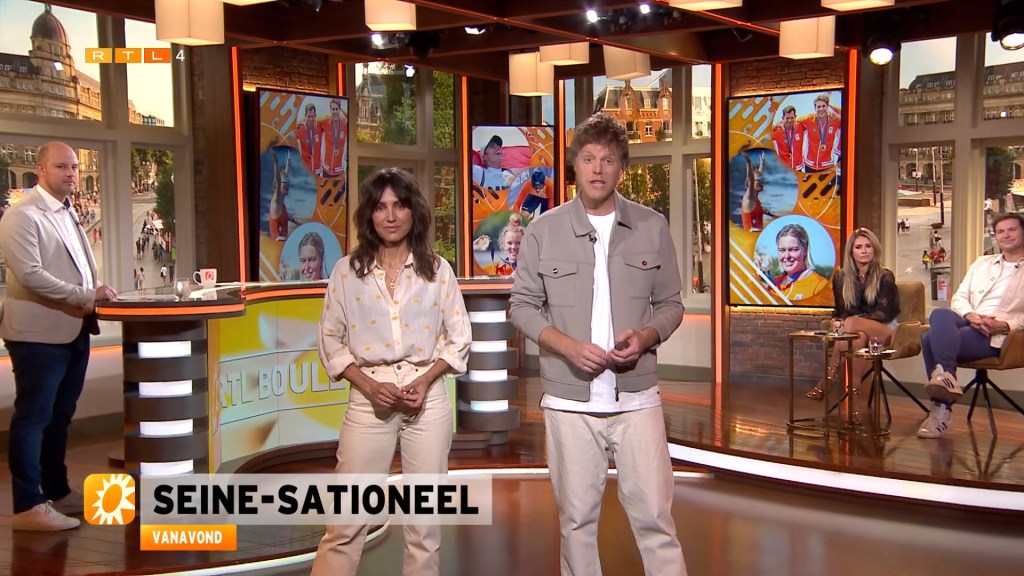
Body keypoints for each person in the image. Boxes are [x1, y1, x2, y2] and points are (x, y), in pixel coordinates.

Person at [509, 112, 688, 576]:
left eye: (608, 160)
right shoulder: (543, 230)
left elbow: (671, 304)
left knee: (655, 519)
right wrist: (568, 347)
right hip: (569, 403)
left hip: (637, 400)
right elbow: (522, 306)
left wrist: (646, 336)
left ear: (621, 168)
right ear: (575, 165)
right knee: (576, 523)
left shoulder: (651, 225)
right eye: (588, 158)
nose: (597, 169)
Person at [311, 167, 471, 576]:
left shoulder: (438, 270)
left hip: (426, 398)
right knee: (346, 522)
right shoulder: (346, 273)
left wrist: (426, 379)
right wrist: (367, 384)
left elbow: (459, 338)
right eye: (381, 207)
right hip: (369, 399)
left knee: (424, 525)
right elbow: (330, 340)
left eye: (399, 206)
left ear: (414, 211)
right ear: (369, 215)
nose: (391, 216)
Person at [0, 141, 118, 531]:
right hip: (37, 335)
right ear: (40, 170)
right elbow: (31, 275)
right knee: (34, 416)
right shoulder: (22, 216)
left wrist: (92, 294)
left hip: (73, 329)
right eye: (61, 166)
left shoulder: (68, 213)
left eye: (74, 167)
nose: (71, 173)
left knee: (59, 416)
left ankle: (56, 490)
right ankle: (27, 505)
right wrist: (87, 295)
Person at [916, 213, 1024, 439]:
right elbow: (959, 297)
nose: (1005, 235)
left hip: (998, 335)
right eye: (1000, 231)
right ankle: (946, 376)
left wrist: (1005, 324)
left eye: (1011, 230)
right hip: (970, 319)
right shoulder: (981, 263)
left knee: (928, 339)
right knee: (940, 313)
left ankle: (941, 411)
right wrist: (972, 315)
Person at [806, 229, 899, 424]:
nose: (864, 251)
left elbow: (884, 313)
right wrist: (837, 320)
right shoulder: (841, 277)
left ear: (874, 249)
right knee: (858, 338)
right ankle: (855, 408)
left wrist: (853, 321)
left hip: (884, 331)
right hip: (858, 333)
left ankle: (827, 379)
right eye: (859, 247)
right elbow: (841, 310)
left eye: (868, 246)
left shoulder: (885, 276)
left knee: (852, 324)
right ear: (851, 251)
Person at [772, 224, 829, 301]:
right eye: (782, 250)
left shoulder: (820, 285)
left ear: (805, 250)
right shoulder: (773, 283)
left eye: (793, 250)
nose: (787, 256)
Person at [801, 93, 841, 173]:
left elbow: (849, 117)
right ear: (815, 108)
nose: (821, 109)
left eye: (823, 106)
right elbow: (792, 123)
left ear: (828, 107)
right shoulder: (808, 119)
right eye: (818, 107)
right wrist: (779, 124)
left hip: (827, 166)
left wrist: (835, 112)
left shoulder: (836, 120)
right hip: (809, 165)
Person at [740, 145, 769, 231]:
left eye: (762, 180)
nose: (762, 182)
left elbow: (757, 176)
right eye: (759, 180)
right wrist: (748, 163)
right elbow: (751, 179)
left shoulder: (756, 199)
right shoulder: (748, 198)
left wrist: (762, 165)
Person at [269, 148, 296, 241]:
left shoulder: (281, 202)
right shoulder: (276, 202)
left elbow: (283, 178)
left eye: (287, 181)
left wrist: (287, 164)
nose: (287, 184)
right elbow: (278, 180)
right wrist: (276, 162)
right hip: (278, 243)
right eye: (284, 182)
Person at [771, 105, 805, 172]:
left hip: (798, 168)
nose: (790, 120)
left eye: (792, 118)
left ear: (795, 117)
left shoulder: (800, 127)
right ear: (783, 118)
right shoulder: (776, 131)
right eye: (787, 118)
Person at [294, 102, 324, 175]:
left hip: (317, 170)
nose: (311, 119)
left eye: (312, 116)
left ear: (315, 116)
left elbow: (329, 121)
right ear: (305, 116)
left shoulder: (319, 127)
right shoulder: (299, 129)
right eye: (309, 116)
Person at [321, 99, 347, 179]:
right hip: (326, 169)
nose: (335, 111)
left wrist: (343, 111)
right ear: (330, 110)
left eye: (337, 109)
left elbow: (353, 119)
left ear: (339, 110)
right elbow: (314, 121)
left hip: (339, 170)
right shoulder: (326, 122)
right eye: (333, 109)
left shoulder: (345, 125)